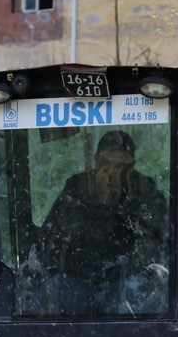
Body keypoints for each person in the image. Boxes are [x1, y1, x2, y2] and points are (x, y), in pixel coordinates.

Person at [29, 130, 169, 314]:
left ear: (131, 167)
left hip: (127, 278)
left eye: (119, 166)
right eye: (105, 164)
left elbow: (162, 237)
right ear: (96, 161)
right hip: (77, 277)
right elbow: (51, 237)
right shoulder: (77, 187)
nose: (110, 172)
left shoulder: (144, 191)